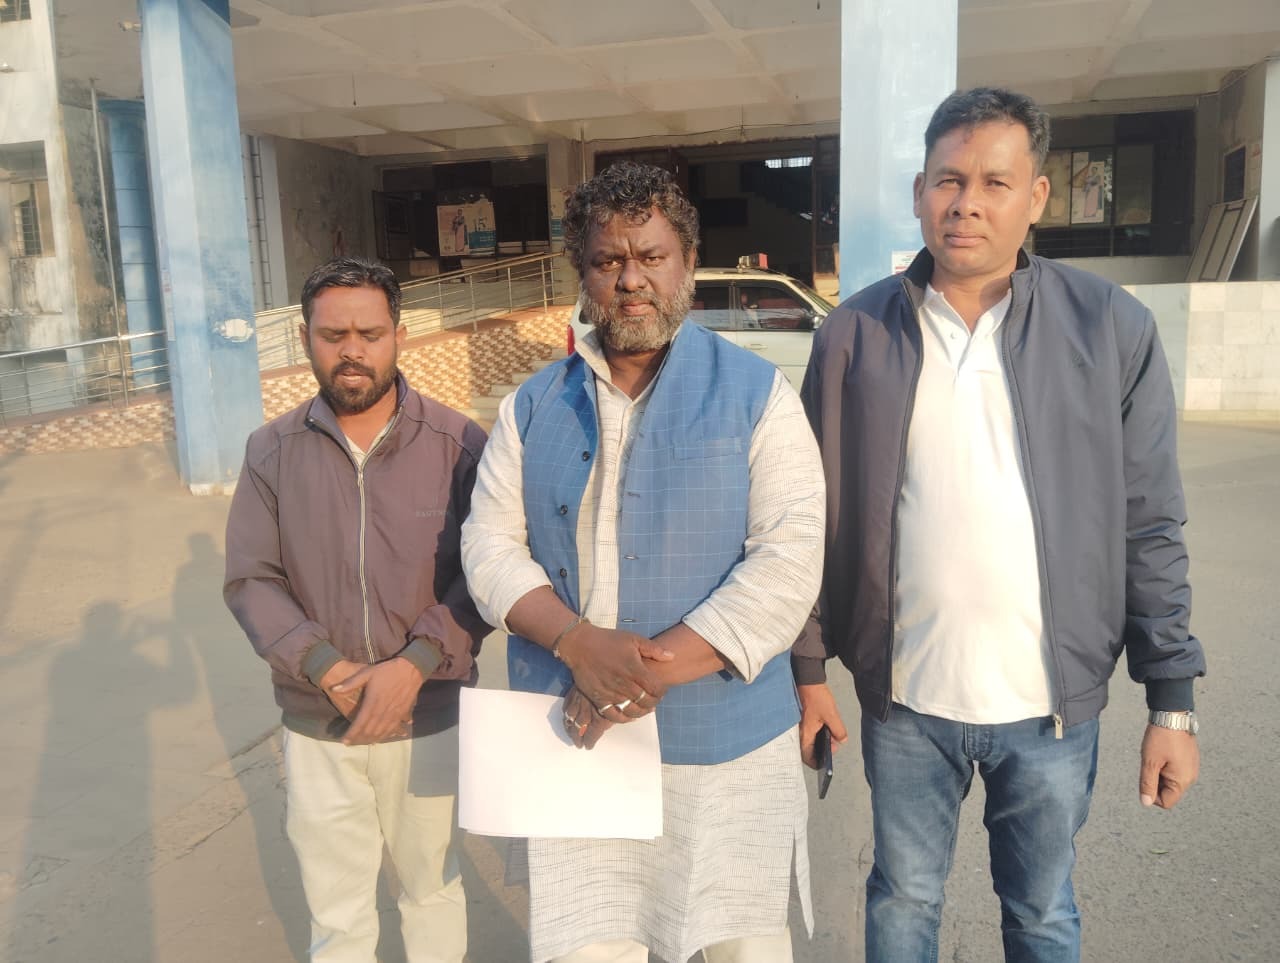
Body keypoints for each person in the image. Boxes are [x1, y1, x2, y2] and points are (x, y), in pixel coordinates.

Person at [793, 87, 1206, 962]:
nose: (966, 203)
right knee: (902, 899)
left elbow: (1149, 523)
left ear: (1037, 196)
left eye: (994, 182)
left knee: (1043, 912)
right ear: (918, 192)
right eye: (948, 180)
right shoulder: (855, 335)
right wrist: (808, 666)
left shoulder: (1111, 328)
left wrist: (1172, 701)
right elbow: (809, 514)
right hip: (907, 701)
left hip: (1049, 708)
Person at [460, 161, 826, 963]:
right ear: (583, 273)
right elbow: (487, 545)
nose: (631, 280)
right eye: (608, 260)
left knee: (740, 943)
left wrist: (638, 674)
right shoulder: (530, 406)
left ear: (686, 262)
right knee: (594, 943)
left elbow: (789, 559)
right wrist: (576, 643)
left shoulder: (758, 394)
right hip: (576, 742)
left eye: (651, 256)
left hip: (726, 750)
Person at [224, 256, 488, 963]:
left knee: (432, 891)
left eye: (369, 334)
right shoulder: (271, 451)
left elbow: (487, 574)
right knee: (337, 915)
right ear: (305, 339)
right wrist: (324, 666)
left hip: (428, 715)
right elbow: (252, 578)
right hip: (321, 723)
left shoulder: (459, 445)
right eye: (333, 334)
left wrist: (416, 663)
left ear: (398, 334)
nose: (352, 351)